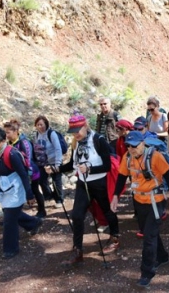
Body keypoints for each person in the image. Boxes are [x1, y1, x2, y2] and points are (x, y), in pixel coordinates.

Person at [111, 131, 169, 288]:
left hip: (156, 201)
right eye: (128, 146)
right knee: (151, 233)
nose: (131, 149)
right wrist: (115, 196)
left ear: (142, 143)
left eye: (134, 146)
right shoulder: (127, 158)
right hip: (139, 201)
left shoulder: (155, 157)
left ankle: (146, 273)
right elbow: (121, 177)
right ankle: (162, 256)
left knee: (148, 237)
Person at [57, 113, 120, 265]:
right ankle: (78, 250)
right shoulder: (76, 143)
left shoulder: (99, 140)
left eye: (78, 129)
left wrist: (89, 169)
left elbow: (106, 165)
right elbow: (72, 163)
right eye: (73, 131)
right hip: (82, 183)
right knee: (77, 215)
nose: (75, 134)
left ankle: (115, 237)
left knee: (107, 210)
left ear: (86, 126)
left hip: (99, 183)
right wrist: (55, 169)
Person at [0, 127, 42, 259]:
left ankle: (10, 249)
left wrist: (29, 195)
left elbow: (23, 175)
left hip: (16, 188)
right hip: (3, 188)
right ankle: (33, 223)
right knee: (11, 213)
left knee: (9, 220)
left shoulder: (12, 154)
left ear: (3, 141)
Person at [3, 119, 46, 218]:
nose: (6, 135)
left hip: (31, 173)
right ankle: (14, 216)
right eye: (5, 132)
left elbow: (28, 161)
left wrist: (27, 177)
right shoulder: (10, 143)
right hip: (19, 173)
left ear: (16, 131)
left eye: (8, 132)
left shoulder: (24, 143)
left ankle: (42, 211)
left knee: (34, 190)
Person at [33, 115, 63, 209]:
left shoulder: (51, 133)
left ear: (46, 124)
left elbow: (58, 148)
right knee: (42, 180)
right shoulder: (36, 135)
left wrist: (58, 163)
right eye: (38, 125)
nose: (40, 127)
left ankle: (59, 200)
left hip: (54, 161)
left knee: (56, 181)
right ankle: (48, 196)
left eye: (41, 124)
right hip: (43, 162)